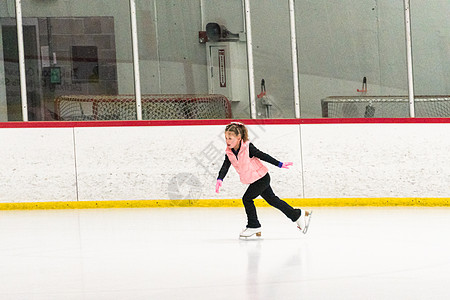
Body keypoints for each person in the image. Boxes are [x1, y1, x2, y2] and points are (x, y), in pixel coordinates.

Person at [215, 122, 312, 238]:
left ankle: (254, 225)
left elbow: (262, 155)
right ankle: (297, 214)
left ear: (239, 138)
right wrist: (220, 178)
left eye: (230, 138)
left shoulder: (247, 147)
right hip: (255, 179)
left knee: (247, 199)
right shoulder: (229, 152)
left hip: (261, 178)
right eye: (226, 138)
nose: (228, 141)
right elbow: (225, 166)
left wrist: (279, 164)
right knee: (273, 200)